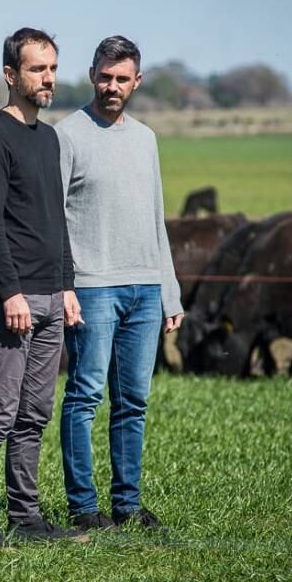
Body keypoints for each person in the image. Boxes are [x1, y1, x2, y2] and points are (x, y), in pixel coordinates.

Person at [55, 35, 184, 531]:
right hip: (91, 288)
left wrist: (168, 290)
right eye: (105, 77)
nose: (112, 86)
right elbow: (54, 220)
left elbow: (157, 219)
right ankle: (83, 508)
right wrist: (66, 285)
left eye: (122, 79)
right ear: (92, 75)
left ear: (137, 81)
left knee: (133, 401)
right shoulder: (66, 135)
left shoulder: (146, 138)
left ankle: (127, 505)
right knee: (85, 397)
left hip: (146, 290)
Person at [0, 28, 84, 549]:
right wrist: (9, 291)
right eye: (38, 69)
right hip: (12, 298)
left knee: (35, 412)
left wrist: (67, 285)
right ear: (11, 75)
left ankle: (26, 516)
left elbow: (54, 220)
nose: (48, 78)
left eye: (52, 68)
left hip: (52, 297)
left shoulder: (49, 137)